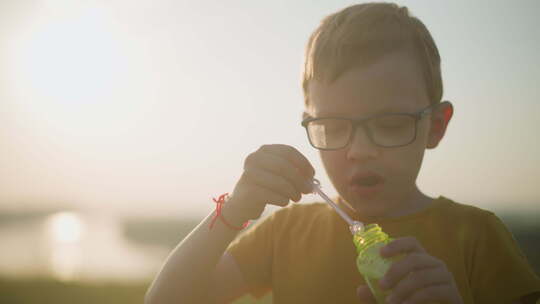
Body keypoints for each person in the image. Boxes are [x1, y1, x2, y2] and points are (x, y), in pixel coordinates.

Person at [145, 3, 540, 304]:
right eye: (333, 126)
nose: (360, 151)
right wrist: (232, 211)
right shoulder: (285, 233)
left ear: (435, 126)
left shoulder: (477, 237)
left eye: (390, 122)